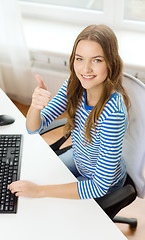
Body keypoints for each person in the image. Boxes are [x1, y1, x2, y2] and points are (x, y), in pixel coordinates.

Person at [8, 24, 130, 200]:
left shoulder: (113, 113)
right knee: (36, 178)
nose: (85, 69)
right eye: (80, 59)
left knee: (48, 200)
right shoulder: (75, 85)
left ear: (111, 63)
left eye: (97, 60)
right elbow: (33, 128)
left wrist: (40, 191)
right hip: (80, 158)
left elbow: (99, 186)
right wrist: (35, 106)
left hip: (102, 182)